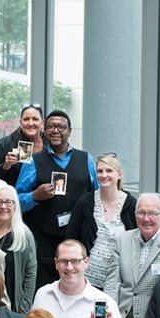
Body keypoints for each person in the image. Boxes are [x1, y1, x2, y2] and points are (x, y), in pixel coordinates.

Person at [15, 110, 98, 291]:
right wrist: (34, 196)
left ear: (69, 131)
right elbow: (16, 200)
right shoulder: (33, 161)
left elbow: (97, 196)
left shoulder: (86, 159)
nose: (55, 131)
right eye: (51, 126)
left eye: (61, 127)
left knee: (76, 286)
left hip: (79, 239)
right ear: (44, 130)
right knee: (44, 288)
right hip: (44, 239)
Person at [66, 154, 137, 290]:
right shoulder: (85, 202)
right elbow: (71, 239)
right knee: (91, 312)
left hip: (118, 281)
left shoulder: (131, 204)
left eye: (109, 170)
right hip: (87, 280)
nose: (104, 175)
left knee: (109, 312)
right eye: (100, 171)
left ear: (119, 174)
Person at [0, 187, 37, 314]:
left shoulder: (23, 235)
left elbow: (30, 274)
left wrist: (24, 310)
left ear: (15, 205)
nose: (3, 206)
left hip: (10, 307)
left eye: (8, 202)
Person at [0, 103, 46, 186]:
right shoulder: (3, 144)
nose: (30, 123)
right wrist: (5, 166)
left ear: (42, 122)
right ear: (21, 122)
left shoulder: (51, 145)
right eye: (26, 119)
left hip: (46, 196)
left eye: (35, 119)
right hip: (12, 196)